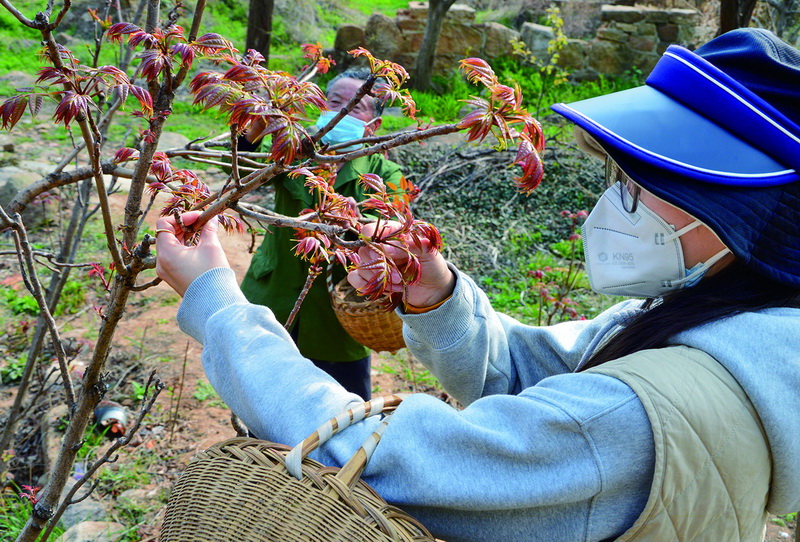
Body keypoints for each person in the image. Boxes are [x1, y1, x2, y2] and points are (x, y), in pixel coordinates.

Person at [156, 28, 800, 542]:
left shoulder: (630, 419)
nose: (614, 204)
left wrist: (215, 300)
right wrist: (435, 296)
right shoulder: (720, 333)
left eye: (638, 186)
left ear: (736, 221)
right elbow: (531, 370)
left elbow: (375, 457)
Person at [237, 67, 411, 401]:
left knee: (342, 407)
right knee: (264, 399)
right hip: (275, 294)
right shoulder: (295, 152)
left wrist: (354, 221)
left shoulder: (385, 173)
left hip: (340, 315)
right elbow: (240, 172)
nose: (341, 112)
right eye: (334, 102)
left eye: (355, 107)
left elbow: (391, 233)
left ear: (373, 126)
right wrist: (253, 131)